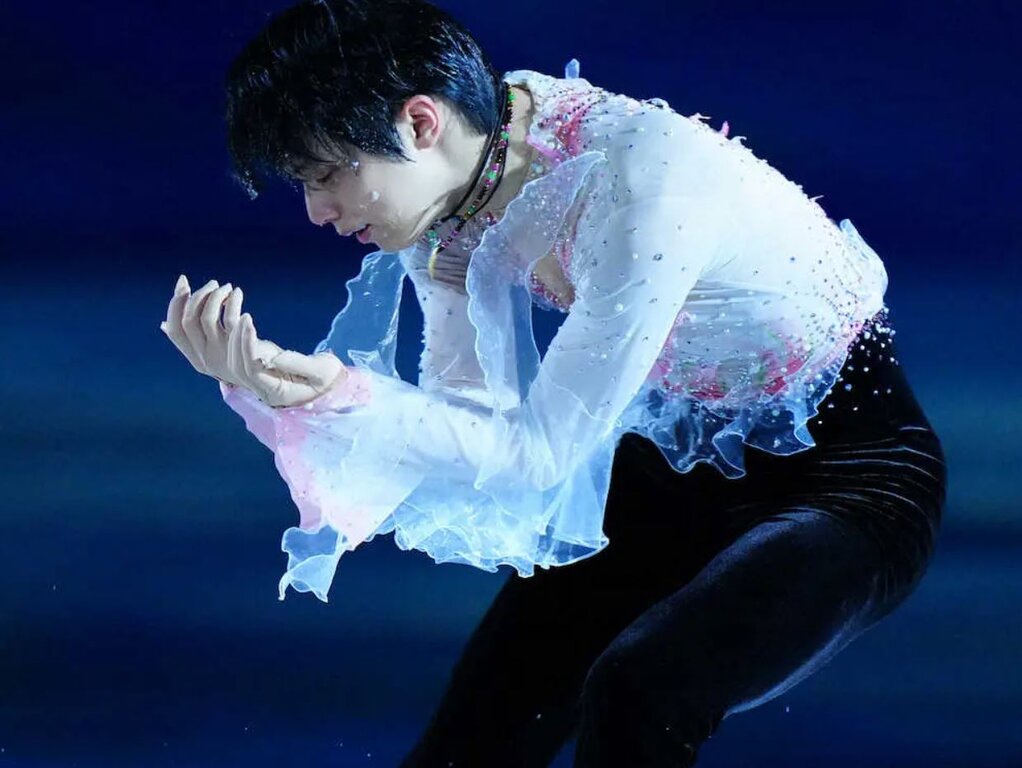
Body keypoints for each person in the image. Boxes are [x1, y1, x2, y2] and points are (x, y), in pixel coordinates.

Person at [159, 0, 947, 764]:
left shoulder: (642, 187)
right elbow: (471, 419)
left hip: (849, 483)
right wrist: (289, 391)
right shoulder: (454, 192)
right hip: (666, 478)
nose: (316, 213)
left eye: (329, 174)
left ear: (420, 123)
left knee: (639, 689)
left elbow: (536, 455)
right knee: (473, 741)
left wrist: (335, 394)